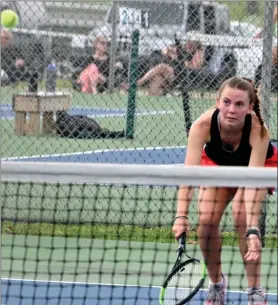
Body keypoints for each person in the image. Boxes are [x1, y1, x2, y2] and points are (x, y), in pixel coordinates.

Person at [172, 76, 277, 305]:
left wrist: (252, 229)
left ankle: (255, 291)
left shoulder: (258, 131)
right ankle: (217, 284)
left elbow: (251, 182)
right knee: (206, 223)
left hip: (256, 171)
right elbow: (188, 175)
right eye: (227, 102)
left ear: (250, 107)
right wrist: (181, 216)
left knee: (241, 214)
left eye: (239, 104)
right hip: (217, 167)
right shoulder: (202, 126)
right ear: (218, 101)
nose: (231, 109)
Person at [124, 40, 204, 96]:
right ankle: (167, 92)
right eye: (188, 42)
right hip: (170, 74)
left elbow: (193, 68)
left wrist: (179, 59)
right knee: (153, 91)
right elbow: (165, 50)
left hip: (183, 76)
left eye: (191, 43)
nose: (188, 44)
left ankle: (136, 84)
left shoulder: (198, 53)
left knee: (162, 67)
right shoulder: (182, 50)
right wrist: (172, 53)